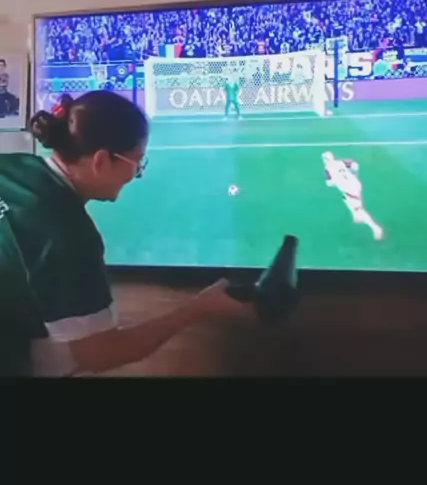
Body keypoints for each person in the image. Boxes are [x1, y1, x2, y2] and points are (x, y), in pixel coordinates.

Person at [0, 90, 246, 376]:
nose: (136, 174)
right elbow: (102, 353)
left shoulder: (12, 165)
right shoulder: (69, 237)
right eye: (136, 163)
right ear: (101, 161)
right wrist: (199, 307)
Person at [322, 151, 384, 241]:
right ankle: (356, 215)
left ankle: (376, 228)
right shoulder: (340, 162)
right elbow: (354, 164)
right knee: (346, 199)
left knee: (358, 209)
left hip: (349, 190)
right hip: (356, 184)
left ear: (325, 160)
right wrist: (354, 174)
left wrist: (335, 180)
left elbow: (329, 183)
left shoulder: (327, 168)